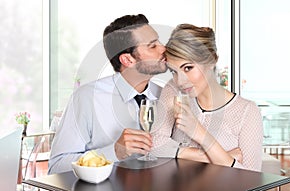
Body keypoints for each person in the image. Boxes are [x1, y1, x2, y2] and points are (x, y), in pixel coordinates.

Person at [48, 14, 168, 174]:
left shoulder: (164, 96)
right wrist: (113, 152)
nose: (164, 48)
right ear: (128, 60)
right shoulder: (87, 98)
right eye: (152, 46)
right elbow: (56, 167)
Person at [152, 24, 263, 171]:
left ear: (211, 60)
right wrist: (216, 157)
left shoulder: (247, 111)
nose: (180, 81)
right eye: (174, 71)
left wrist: (200, 133)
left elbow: (251, 179)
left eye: (188, 68)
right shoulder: (173, 90)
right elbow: (154, 145)